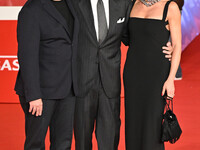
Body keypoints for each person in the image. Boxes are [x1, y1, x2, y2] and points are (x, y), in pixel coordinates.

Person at [72, 0, 173, 149]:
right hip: (83, 81)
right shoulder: (75, 3)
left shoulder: (123, 4)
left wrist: (163, 45)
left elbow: (136, 35)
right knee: (82, 140)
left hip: (110, 83)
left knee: (110, 139)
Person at [14, 0, 79, 149]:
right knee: (36, 144)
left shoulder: (73, 5)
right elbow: (27, 56)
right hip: (41, 92)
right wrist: (34, 95)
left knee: (63, 143)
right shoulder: (32, 9)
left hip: (68, 89)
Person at [123, 0, 182, 150]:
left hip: (157, 76)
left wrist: (170, 79)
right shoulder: (133, 4)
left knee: (152, 125)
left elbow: (177, 47)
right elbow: (127, 38)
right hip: (132, 74)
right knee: (133, 123)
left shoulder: (170, 7)